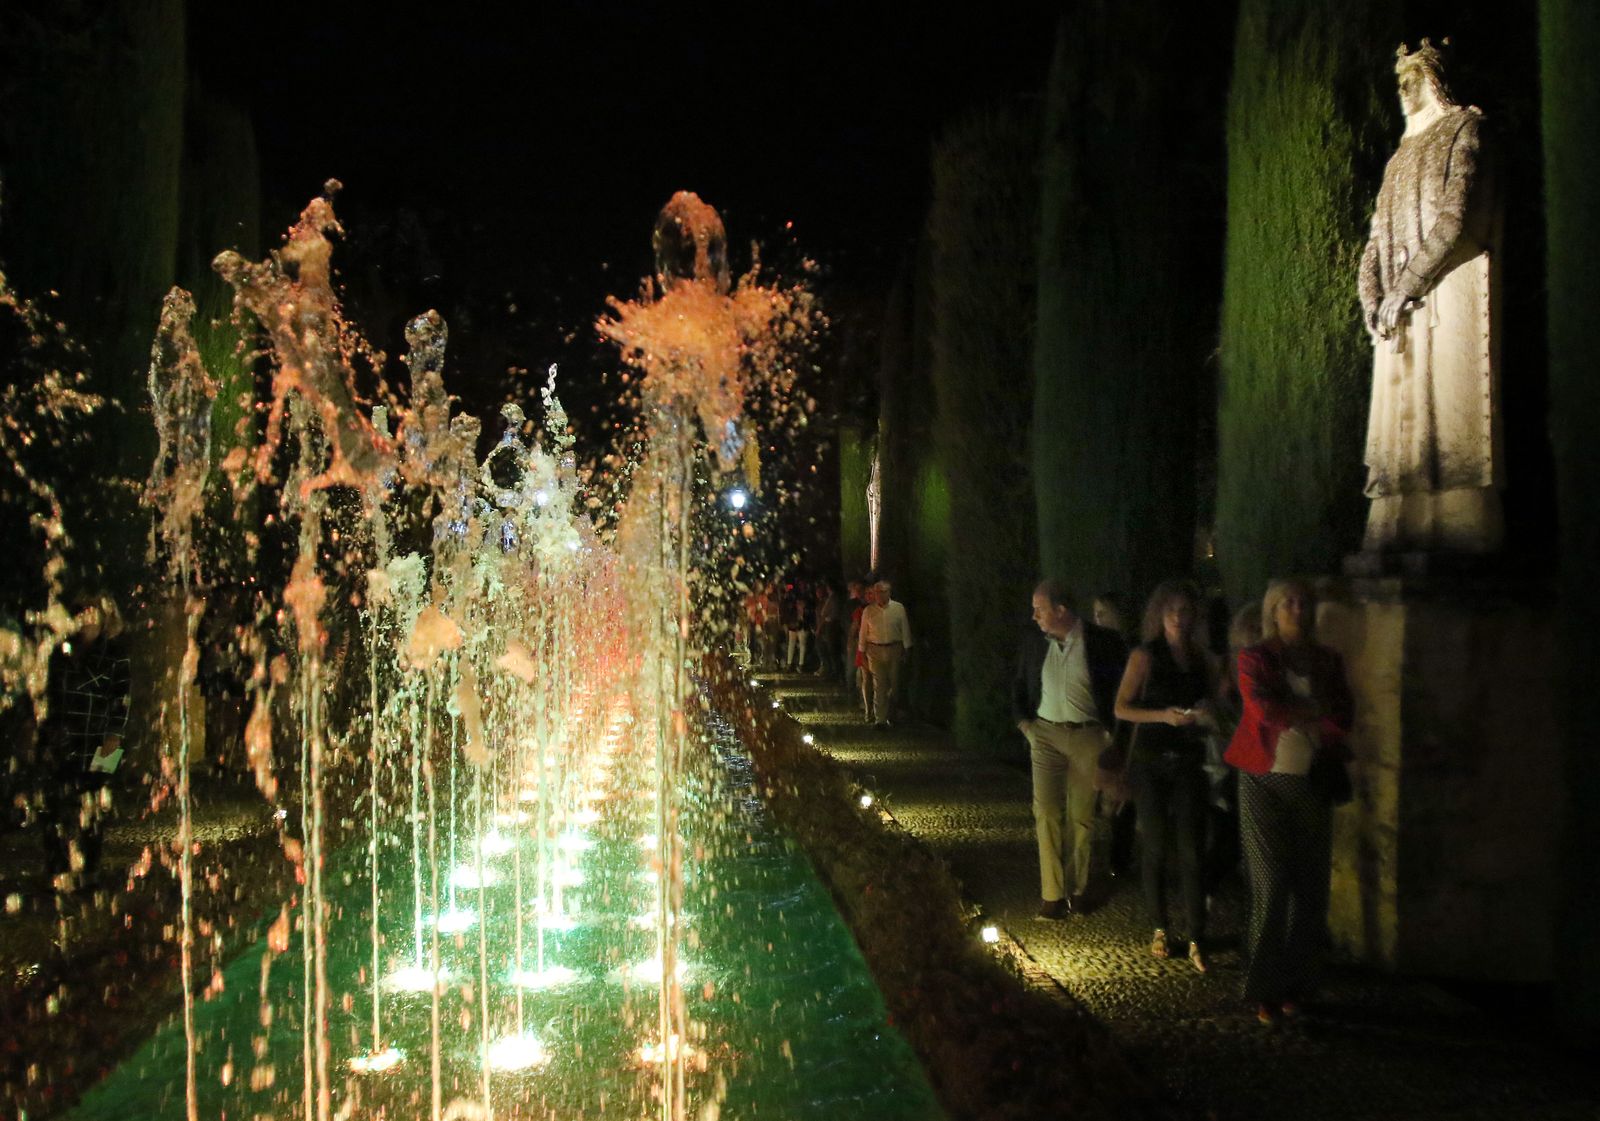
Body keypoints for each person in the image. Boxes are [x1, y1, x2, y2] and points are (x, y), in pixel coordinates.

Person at [1358, 39, 1502, 554]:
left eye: (1410, 79)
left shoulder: (1464, 130)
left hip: (1443, 298)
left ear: (1433, 79)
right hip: (1399, 314)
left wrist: (1406, 286)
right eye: (1397, 82)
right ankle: (1398, 521)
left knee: (1447, 414)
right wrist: (1373, 302)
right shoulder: (1399, 157)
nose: (1401, 91)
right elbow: (1374, 241)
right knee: (1401, 425)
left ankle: (1456, 526)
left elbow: (1456, 218)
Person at [1225, 579, 1353, 1026]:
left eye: (1303, 603)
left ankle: (1299, 984)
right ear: (1273, 610)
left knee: (1310, 888)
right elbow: (1264, 711)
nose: (1296, 610)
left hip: (1310, 780)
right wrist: (1312, 711)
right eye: (1288, 603)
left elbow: (1344, 714)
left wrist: (1316, 716)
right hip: (1263, 778)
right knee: (1272, 882)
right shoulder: (1256, 657)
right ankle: (1263, 987)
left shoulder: (1326, 660)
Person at [1114, 580, 1220, 972]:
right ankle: (1159, 926)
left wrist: (1206, 710)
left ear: (1193, 616)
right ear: (1159, 615)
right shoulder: (1145, 656)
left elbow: (1214, 701)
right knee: (1156, 843)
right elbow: (1122, 708)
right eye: (1171, 610)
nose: (1178, 617)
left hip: (1188, 759)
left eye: (1184, 610)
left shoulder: (1201, 658)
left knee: (1192, 847)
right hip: (1151, 760)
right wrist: (1163, 716)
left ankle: (1197, 934)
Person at [1012, 580, 1127, 918]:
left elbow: (1120, 691)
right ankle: (1051, 895)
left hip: (1088, 736)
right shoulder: (1035, 642)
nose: (1034, 616)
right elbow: (1019, 684)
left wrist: (1112, 740)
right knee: (1045, 811)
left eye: (1040, 609)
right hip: (1045, 734)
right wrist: (1027, 727)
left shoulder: (1102, 643)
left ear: (1061, 610)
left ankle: (1078, 889)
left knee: (1081, 816)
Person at [37, 598, 131, 891]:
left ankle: (89, 869)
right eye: (83, 613)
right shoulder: (61, 652)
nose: (89, 619)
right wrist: (48, 735)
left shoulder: (115, 655)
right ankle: (59, 867)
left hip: (105, 740)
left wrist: (114, 737)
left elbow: (122, 699)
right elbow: (49, 694)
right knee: (54, 803)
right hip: (65, 737)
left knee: (95, 805)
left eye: (95, 614)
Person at [857, 580, 911, 728]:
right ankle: (880, 719)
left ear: (889, 593)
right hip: (874, 649)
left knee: (895, 683)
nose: (880, 596)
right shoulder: (868, 611)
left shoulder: (898, 608)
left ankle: (891, 714)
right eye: (877, 592)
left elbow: (904, 628)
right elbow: (863, 633)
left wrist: (907, 648)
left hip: (894, 648)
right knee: (879, 684)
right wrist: (861, 652)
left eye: (883, 592)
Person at [814, 582, 841, 679]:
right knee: (826, 649)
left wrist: (820, 628)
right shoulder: (828, 600)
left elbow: (825, 615)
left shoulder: (831, 600)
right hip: (826, 627)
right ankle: (830, 670)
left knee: (829, 649)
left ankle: (832, 671)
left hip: (829, 627)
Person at [782, 585, 810, 670]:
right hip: (794, 626)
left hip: (802, 627)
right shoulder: (793, 609)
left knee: (802, 645)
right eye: (798, 602)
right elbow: (789, 615)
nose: (800, 604)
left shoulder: (806, 610)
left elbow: (807, 618)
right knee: (791, 644)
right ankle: (789, 663)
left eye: (801, 603)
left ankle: (801, 664)